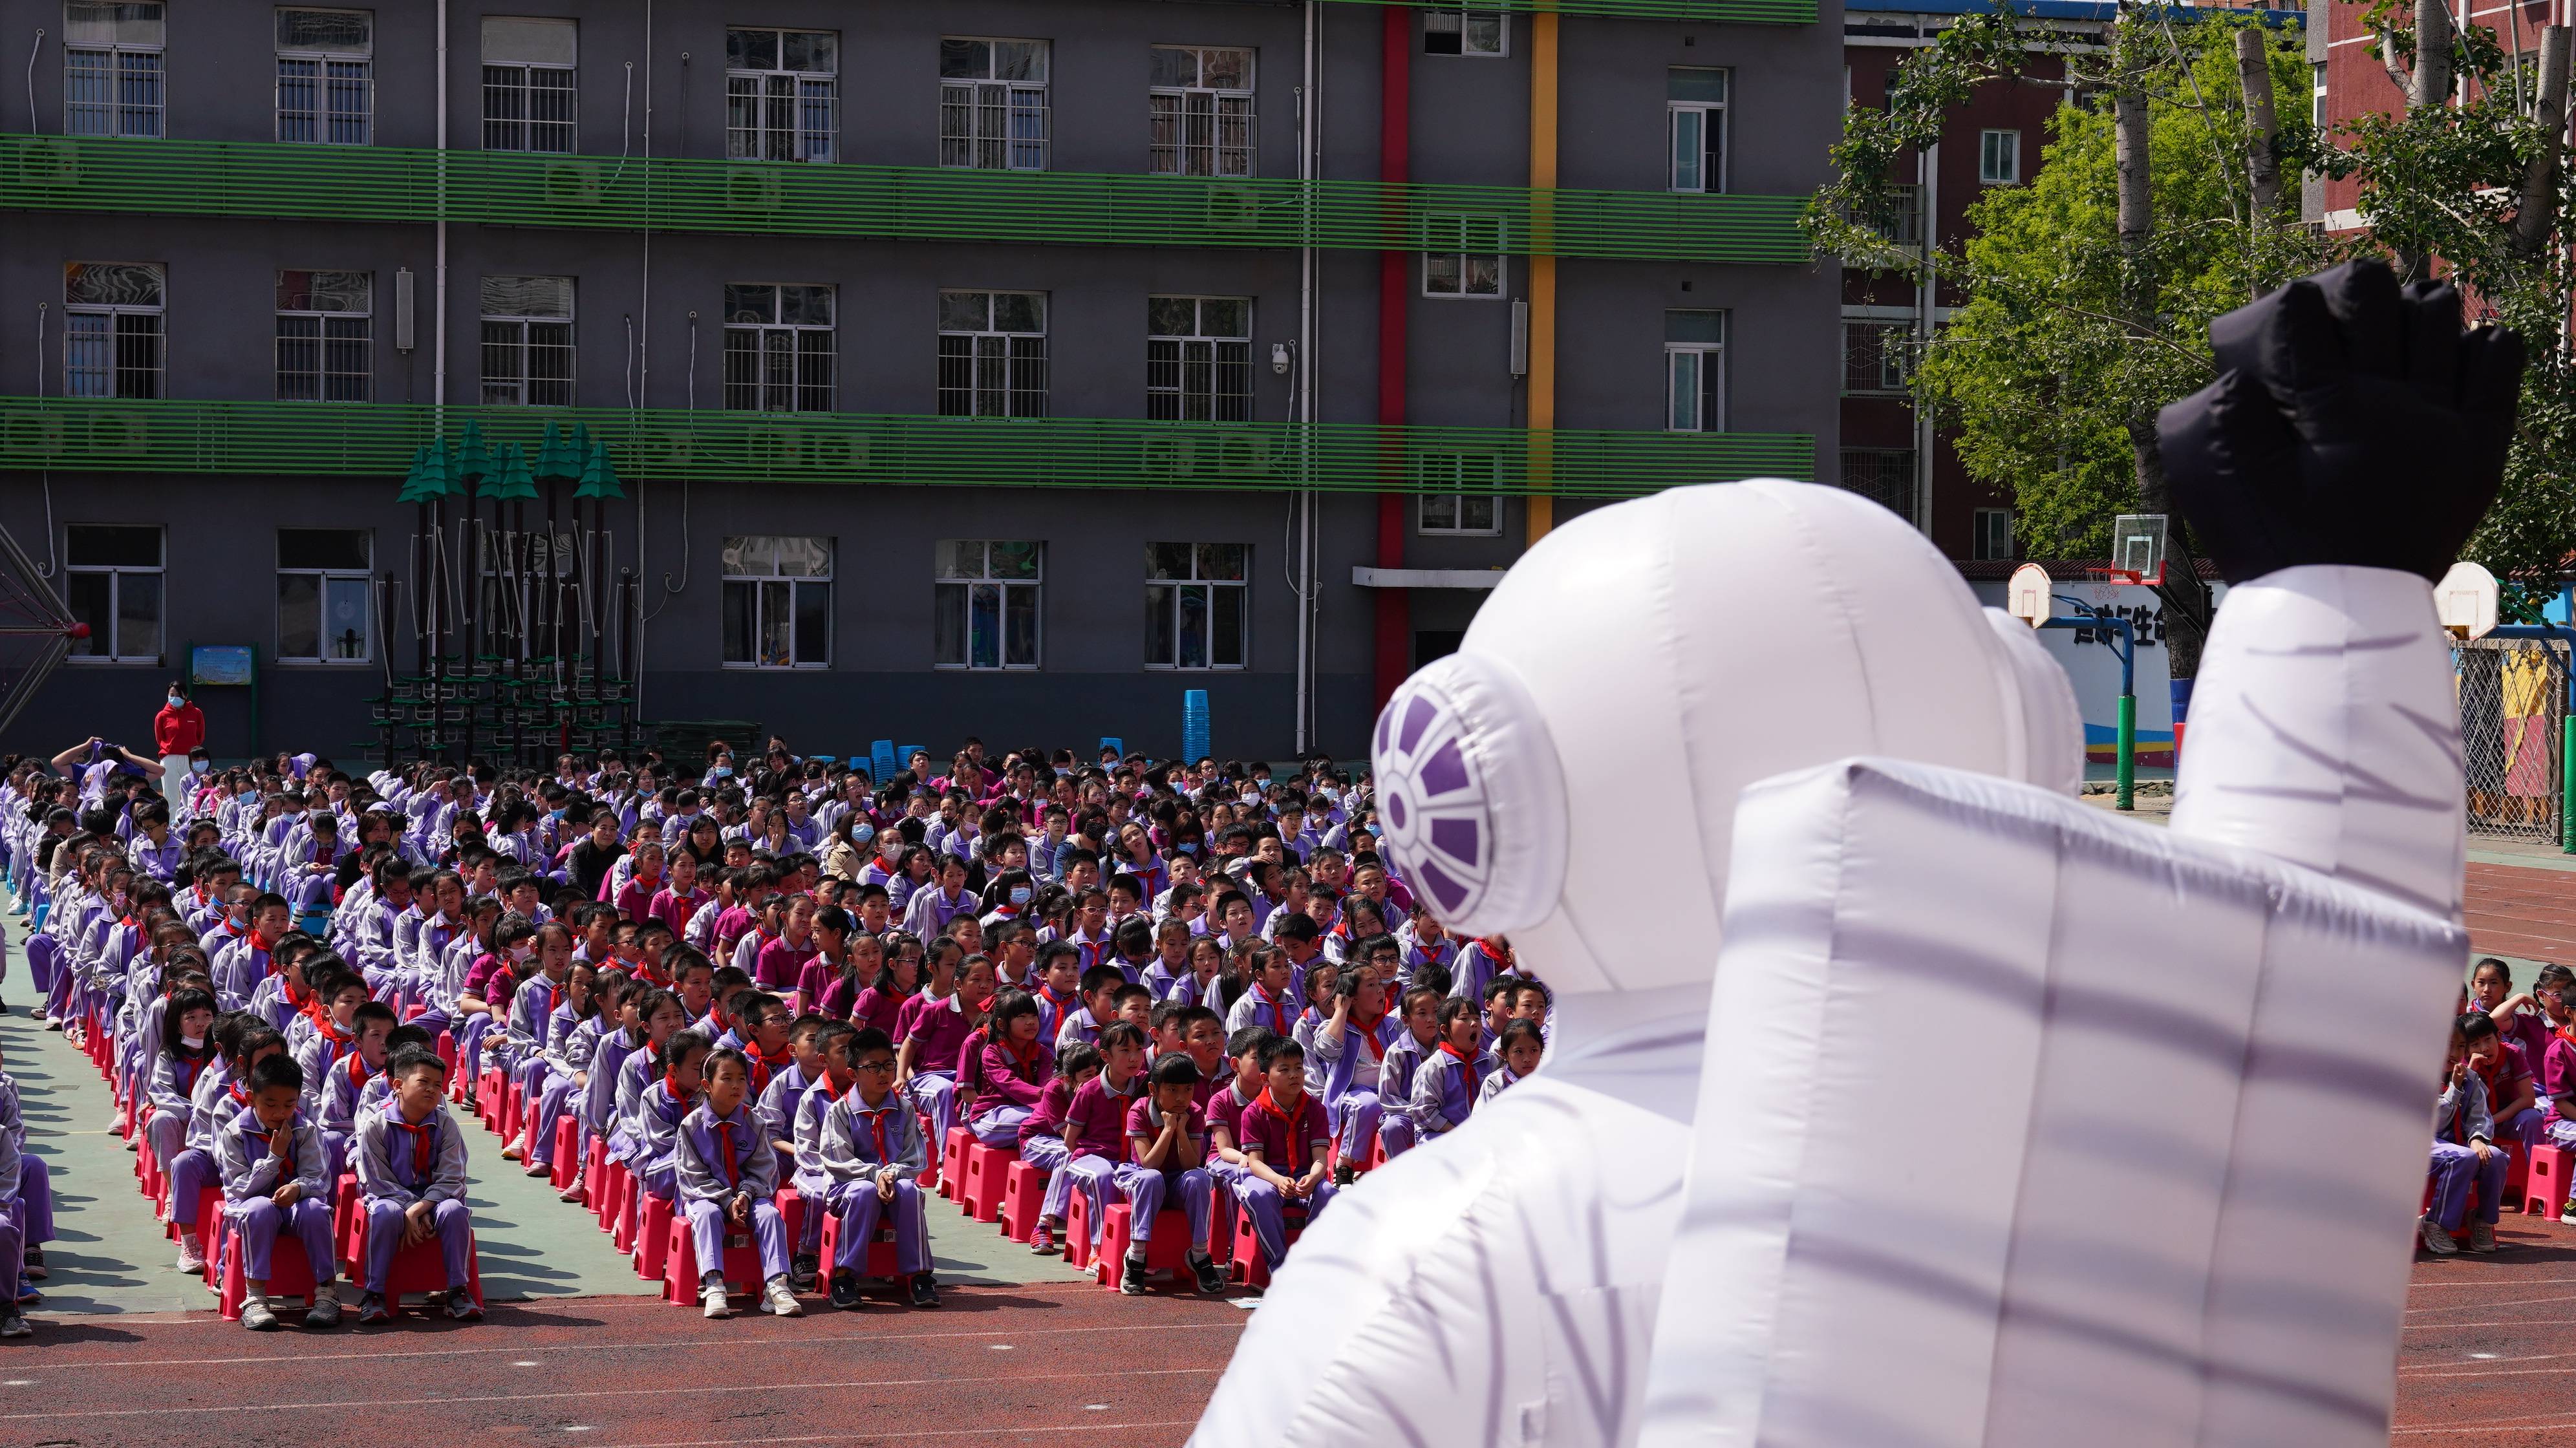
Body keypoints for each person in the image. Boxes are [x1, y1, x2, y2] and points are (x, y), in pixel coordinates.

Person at [351, 1048, 481, 1322]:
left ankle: (458, 1290)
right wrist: (410, 1206)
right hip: (391, 1198)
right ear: (398, 1085)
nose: (432, 1090)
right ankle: (375, 1294)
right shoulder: (376, 1126)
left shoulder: (446, 1126)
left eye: (438, 1085)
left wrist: (420, 1208)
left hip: (434, 1200)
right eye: (423, 1082)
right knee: (385, 1213)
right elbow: (378, 1181)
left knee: (455, 1211)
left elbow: (453, 1178)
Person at [216, 1054, 342, 1330]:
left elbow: (320, 1178)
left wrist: (298, 1188)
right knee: (260, 1209)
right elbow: (240, 1187)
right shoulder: (235, 1133)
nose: (280, 1113)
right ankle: (256, 1297)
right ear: (251, 1099)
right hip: (250, 1206)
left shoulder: (306, 1129)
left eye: (289, 1104)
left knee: (317, 1211)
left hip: (295, 1204)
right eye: (270, 1104)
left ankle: (327, 1293)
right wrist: (274, 1158)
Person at [676, 1047, 800, 1319]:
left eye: (741, 1079)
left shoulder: (754, 1122)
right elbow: (691, 1176)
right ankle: (714, 1284)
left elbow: (765, 1169)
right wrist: (726, 1199)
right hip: (705, 1197)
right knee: (707, 1215)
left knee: (770, 1214)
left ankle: (776, 1286)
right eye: (727, 1078)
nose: (736, 1086)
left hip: (748, 1197)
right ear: (707, 1085)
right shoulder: (691, 1126)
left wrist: (744, 1194)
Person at [819, 1027, 939, 1310]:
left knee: (909, 1190)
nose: (884, 1073)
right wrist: (875, 1175)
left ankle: (920, 1276)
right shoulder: (840, 1111)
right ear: (853, 1074)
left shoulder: (905, 1109)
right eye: (873, 1067)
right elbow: (837, 1160)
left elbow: (917, 1157)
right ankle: (844, 1278)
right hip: (848, 1187)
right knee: (863, 1193)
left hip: (894, 1182)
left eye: (888, 1065)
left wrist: (892, 1174)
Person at [1115, 1052, 1226, 1295]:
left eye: (1187, 1090)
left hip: (1177, 1181)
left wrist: (1182, 1130)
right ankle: (1136, 1257)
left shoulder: (1194, 1113)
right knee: (1151, 1178)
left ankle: (1199, 1254)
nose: (1181, 1098)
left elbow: (1190, 1164)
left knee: (1200, 1178)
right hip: (1142, 1180)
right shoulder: (1139, 1111)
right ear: (1154, 1089)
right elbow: (1149, 1163)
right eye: (1173, 1090)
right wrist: (1168, 1129)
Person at [1233, 1035, 1336, 1275]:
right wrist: (1278, 1181)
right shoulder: (1253, 1112)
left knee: (1331, 1193)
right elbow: (1255, 1162)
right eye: (1285, 1069)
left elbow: (1321, 1157)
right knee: (1260, 1195)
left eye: (1299, 1068)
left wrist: (1313, 1177)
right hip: (1267, 1178)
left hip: (1302, 1178)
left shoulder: (1315, 1109)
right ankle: (1279, 1267)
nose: (1294, 1075)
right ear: (1265, 1078)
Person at [2428, 1013, 2510, 1256]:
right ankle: (2436, 1222)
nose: (2455, 1052)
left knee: (2496, 1157)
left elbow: (2480, 1116)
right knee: (2463, 1157)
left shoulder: (2471, 1078)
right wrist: (2454, 1089)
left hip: (2458, 1145)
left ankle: (2483, 1220)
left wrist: (2477, 1138)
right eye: (2448, 1045)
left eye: (2461, 1045)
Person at [153, 685, 207, 817]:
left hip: (190, 759)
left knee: (191, 794)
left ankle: (191, 824)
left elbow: (200, 736)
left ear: (186, 696)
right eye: (172, 695)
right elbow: (160, 738)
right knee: (171, 797)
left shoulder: (196, 713)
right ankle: (171, 826)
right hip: (169, 759)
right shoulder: (161, 716)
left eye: (178, 695)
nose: (174, 698)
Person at [1479, 1020, 1545, 1105]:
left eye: (1534, 1050)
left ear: (1541, 1050)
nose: (1527, 1059)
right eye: (1519, 1052)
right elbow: (1485, 1117)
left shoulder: (1550, 1080)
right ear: (1504, 1054)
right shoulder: (1495, 1083)